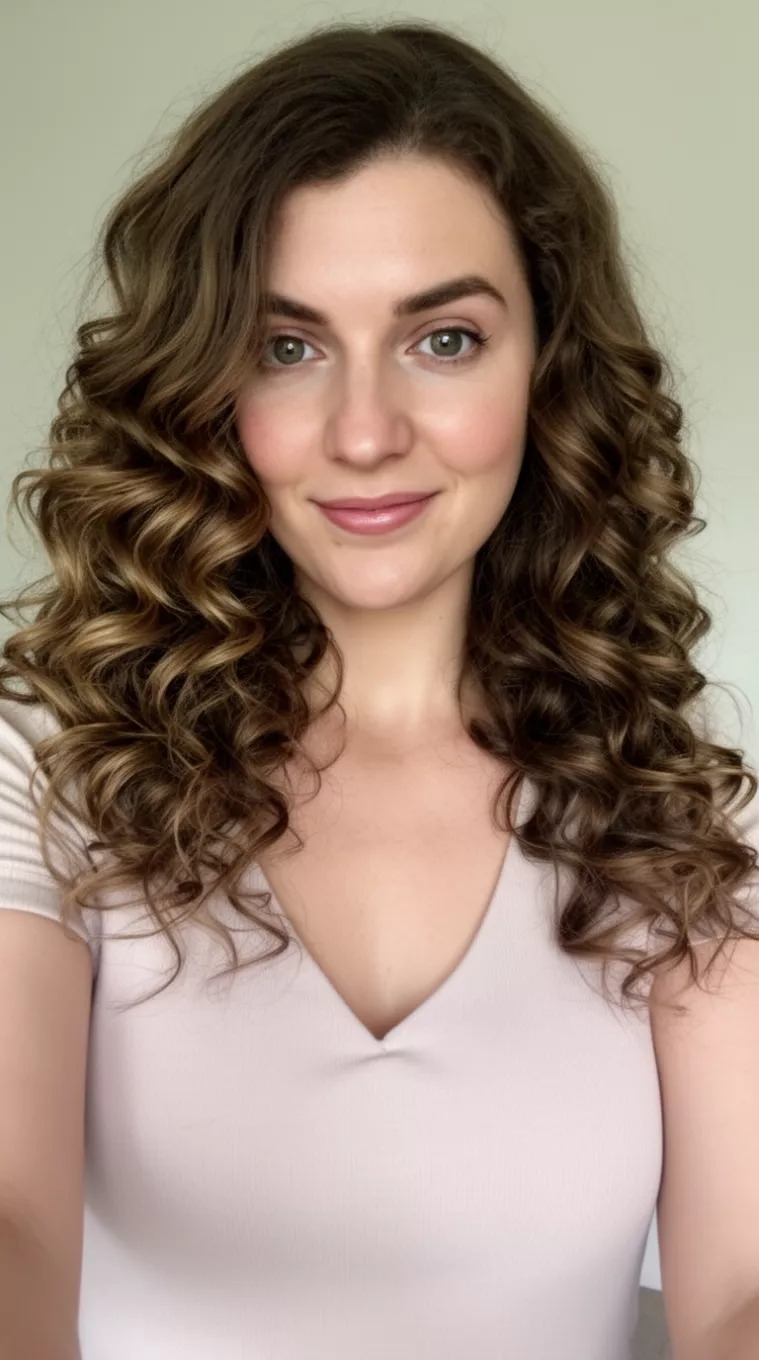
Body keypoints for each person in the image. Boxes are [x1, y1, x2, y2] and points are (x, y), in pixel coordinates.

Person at [0, 19, 757, 1360]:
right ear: (204, 387)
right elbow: (11, 1223)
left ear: (548, 366)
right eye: (287, 348)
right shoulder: (50, 759)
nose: (364, 433)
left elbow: (740, 1288)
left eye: (443, 339)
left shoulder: (669, 787)